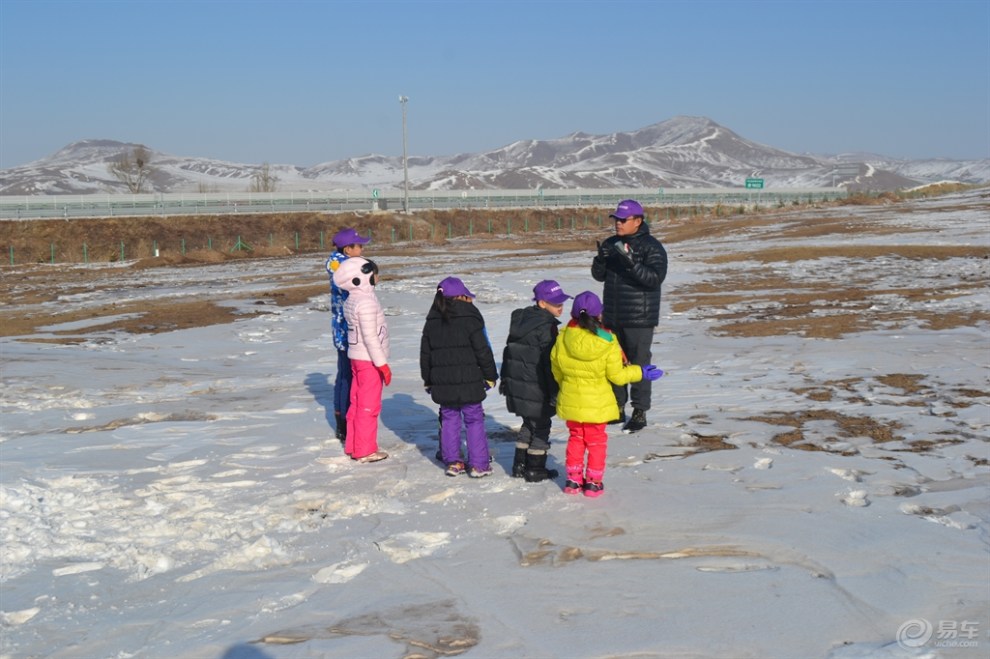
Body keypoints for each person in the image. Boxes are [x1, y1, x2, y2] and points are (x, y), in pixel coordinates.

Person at [551, 291, 664, 497]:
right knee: (596, 442)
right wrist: (640, 371)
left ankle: (573, 481)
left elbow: (556, 369)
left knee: (576, 438)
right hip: (598, 403)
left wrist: (567, 387)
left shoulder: (563, 336)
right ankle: (593, 483)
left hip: (571, 400)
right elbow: (618, 376)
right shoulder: (607, 340)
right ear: (599, 314)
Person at [590, 199, 668, 433]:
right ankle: (617, 408)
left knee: (638, 364)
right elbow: (599, 276)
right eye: (616, 219)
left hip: (639, 317)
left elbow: (654, 279)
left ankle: (640, 411)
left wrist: (632, 264)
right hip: (613, 315)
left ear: (638, 221)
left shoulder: (651, 247)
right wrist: (600, 260)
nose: (618, 224)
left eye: (623, 220)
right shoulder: (612, 243)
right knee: (614, 363)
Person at [420, 277, 499, 478]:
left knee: (449, 419)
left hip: (443, 382)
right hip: (470, 381)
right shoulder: (471, 317)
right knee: (474, 419)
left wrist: (428, 379)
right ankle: (479, 464)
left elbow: (425, 354)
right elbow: (483, 350)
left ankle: (453, 462)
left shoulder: (432, 320)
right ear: (460, 297)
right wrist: (490, 375)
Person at [499, 279, 572, 482]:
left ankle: (519, 465)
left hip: (520, 387)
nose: (561, 306)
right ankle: (535, 468)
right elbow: (549, 365)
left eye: (562, 302)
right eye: (556, 303)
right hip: (537, 388)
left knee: (528, 423)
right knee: (541, 426)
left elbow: (508, 353)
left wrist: (506, 380)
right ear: (541, 303)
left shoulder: (522, 322)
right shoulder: (546, 327)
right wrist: (554, 393)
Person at [332, 256, 390, 463]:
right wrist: (382, 364)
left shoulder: (354, 298)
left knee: (356, 404)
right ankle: (365, 450)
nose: (378, 277)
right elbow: (370, 337)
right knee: (368, 406)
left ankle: (354, 445)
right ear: (364, 276)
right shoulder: (365, 302)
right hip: (368, 361)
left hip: (357, 358)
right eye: (375, 273)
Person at [324, 227, 371, 442]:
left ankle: (342, 417)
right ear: (347, 248)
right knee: (346, 376)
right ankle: (343, 421)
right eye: (358, 246)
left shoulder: (344, 263)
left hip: (346, 328)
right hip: (345, 330)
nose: (362, 249)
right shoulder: (341, 267)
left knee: (345, 374)